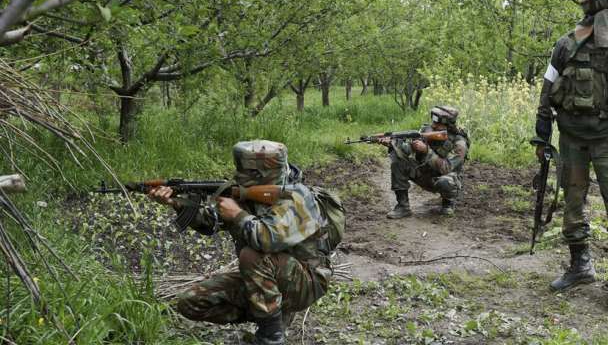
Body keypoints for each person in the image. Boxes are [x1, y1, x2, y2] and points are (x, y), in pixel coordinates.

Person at [148, 140, 338, 345]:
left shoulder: (297, 198)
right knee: (191, 301)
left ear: (260, 174)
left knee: (252, 255)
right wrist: (176, 203)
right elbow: (210, 222)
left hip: (306, 282)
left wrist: (237, 215)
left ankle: (271, 338)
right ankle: (269, 313)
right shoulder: (245, 191)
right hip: (267, 279)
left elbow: (267, 240)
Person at [532, 0, 608, 302]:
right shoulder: (565, 45)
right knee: (573, 206)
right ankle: (580, 266)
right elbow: (546, 93)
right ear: (605, 13)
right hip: (571, 141)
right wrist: (542, 137)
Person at [382, 105, 469, 218]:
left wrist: (426, 150)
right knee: (397, 160)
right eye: (433, 121)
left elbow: (446, 168)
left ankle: (448, 203)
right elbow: (408, 149)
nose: (433, 125)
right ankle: (403, 207)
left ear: (448, 125)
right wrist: (393, 143)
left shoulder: (459, 143)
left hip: (444, 179)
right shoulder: (427, 131)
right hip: (424, 174)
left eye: (437, 123)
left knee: (446, 182)